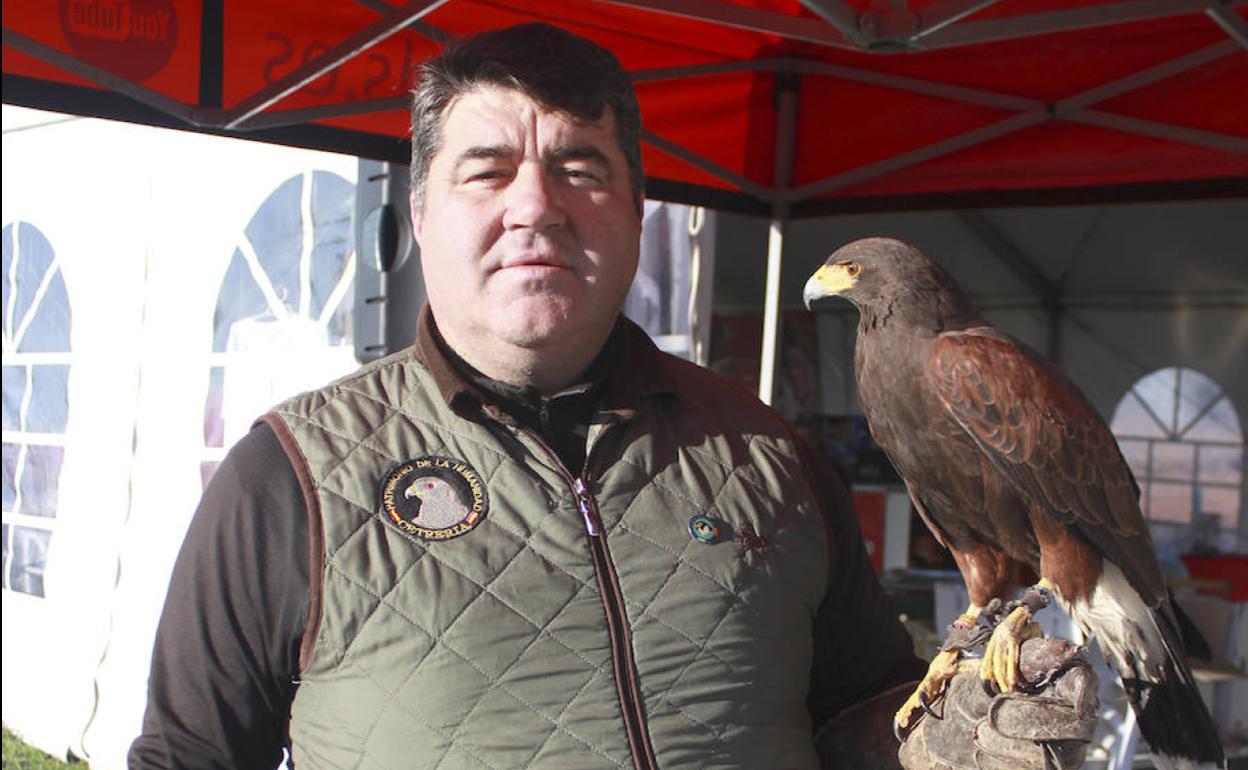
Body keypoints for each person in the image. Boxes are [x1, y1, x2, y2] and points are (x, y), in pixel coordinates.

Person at [129, 22, 1094, 770]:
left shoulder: (771, 458)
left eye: (580, 168)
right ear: (420, 212)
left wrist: (946, 737)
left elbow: (859, 714)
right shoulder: (287, 477)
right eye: (488, 170)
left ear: (637, 213)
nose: (535, 205)